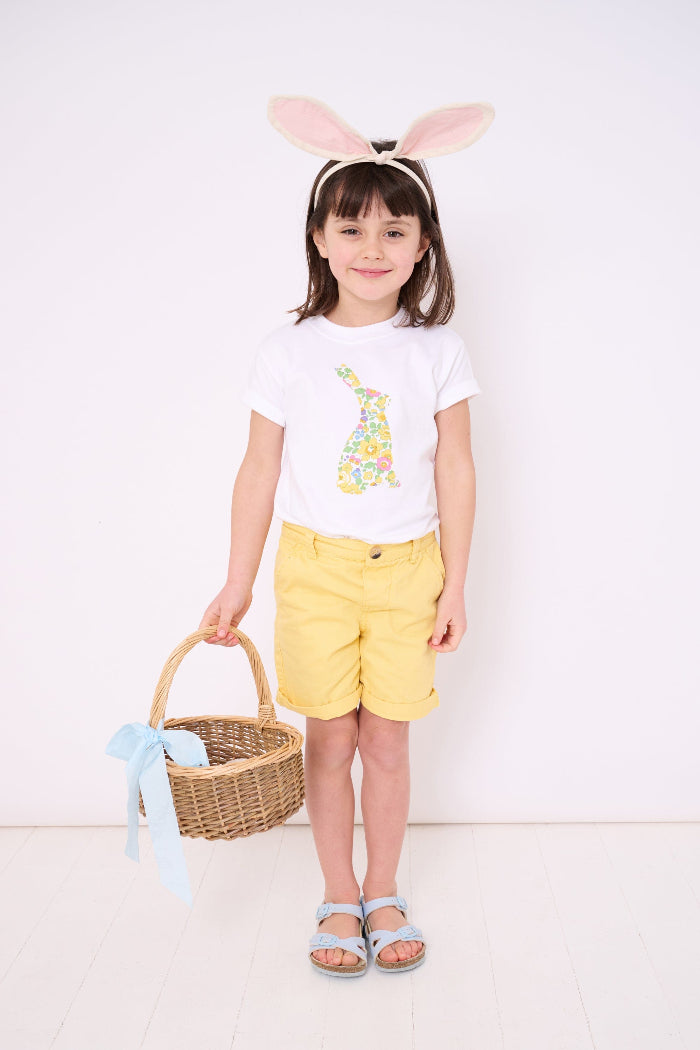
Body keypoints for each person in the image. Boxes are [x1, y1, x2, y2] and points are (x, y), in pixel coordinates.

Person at [199, 96, 493, 976]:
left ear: (423, 247)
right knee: (329, 740)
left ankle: (384, 887)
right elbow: (258, 470)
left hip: (407, 572)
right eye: (353, 228)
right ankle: (336, 895)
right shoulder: (288, 350)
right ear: (319, 240)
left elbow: (457, 470)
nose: (373, 249)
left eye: (395, 232)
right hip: (314, 571)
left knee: (388, 741)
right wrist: (238, 579)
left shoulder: (435, 347)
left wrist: (455, 583)